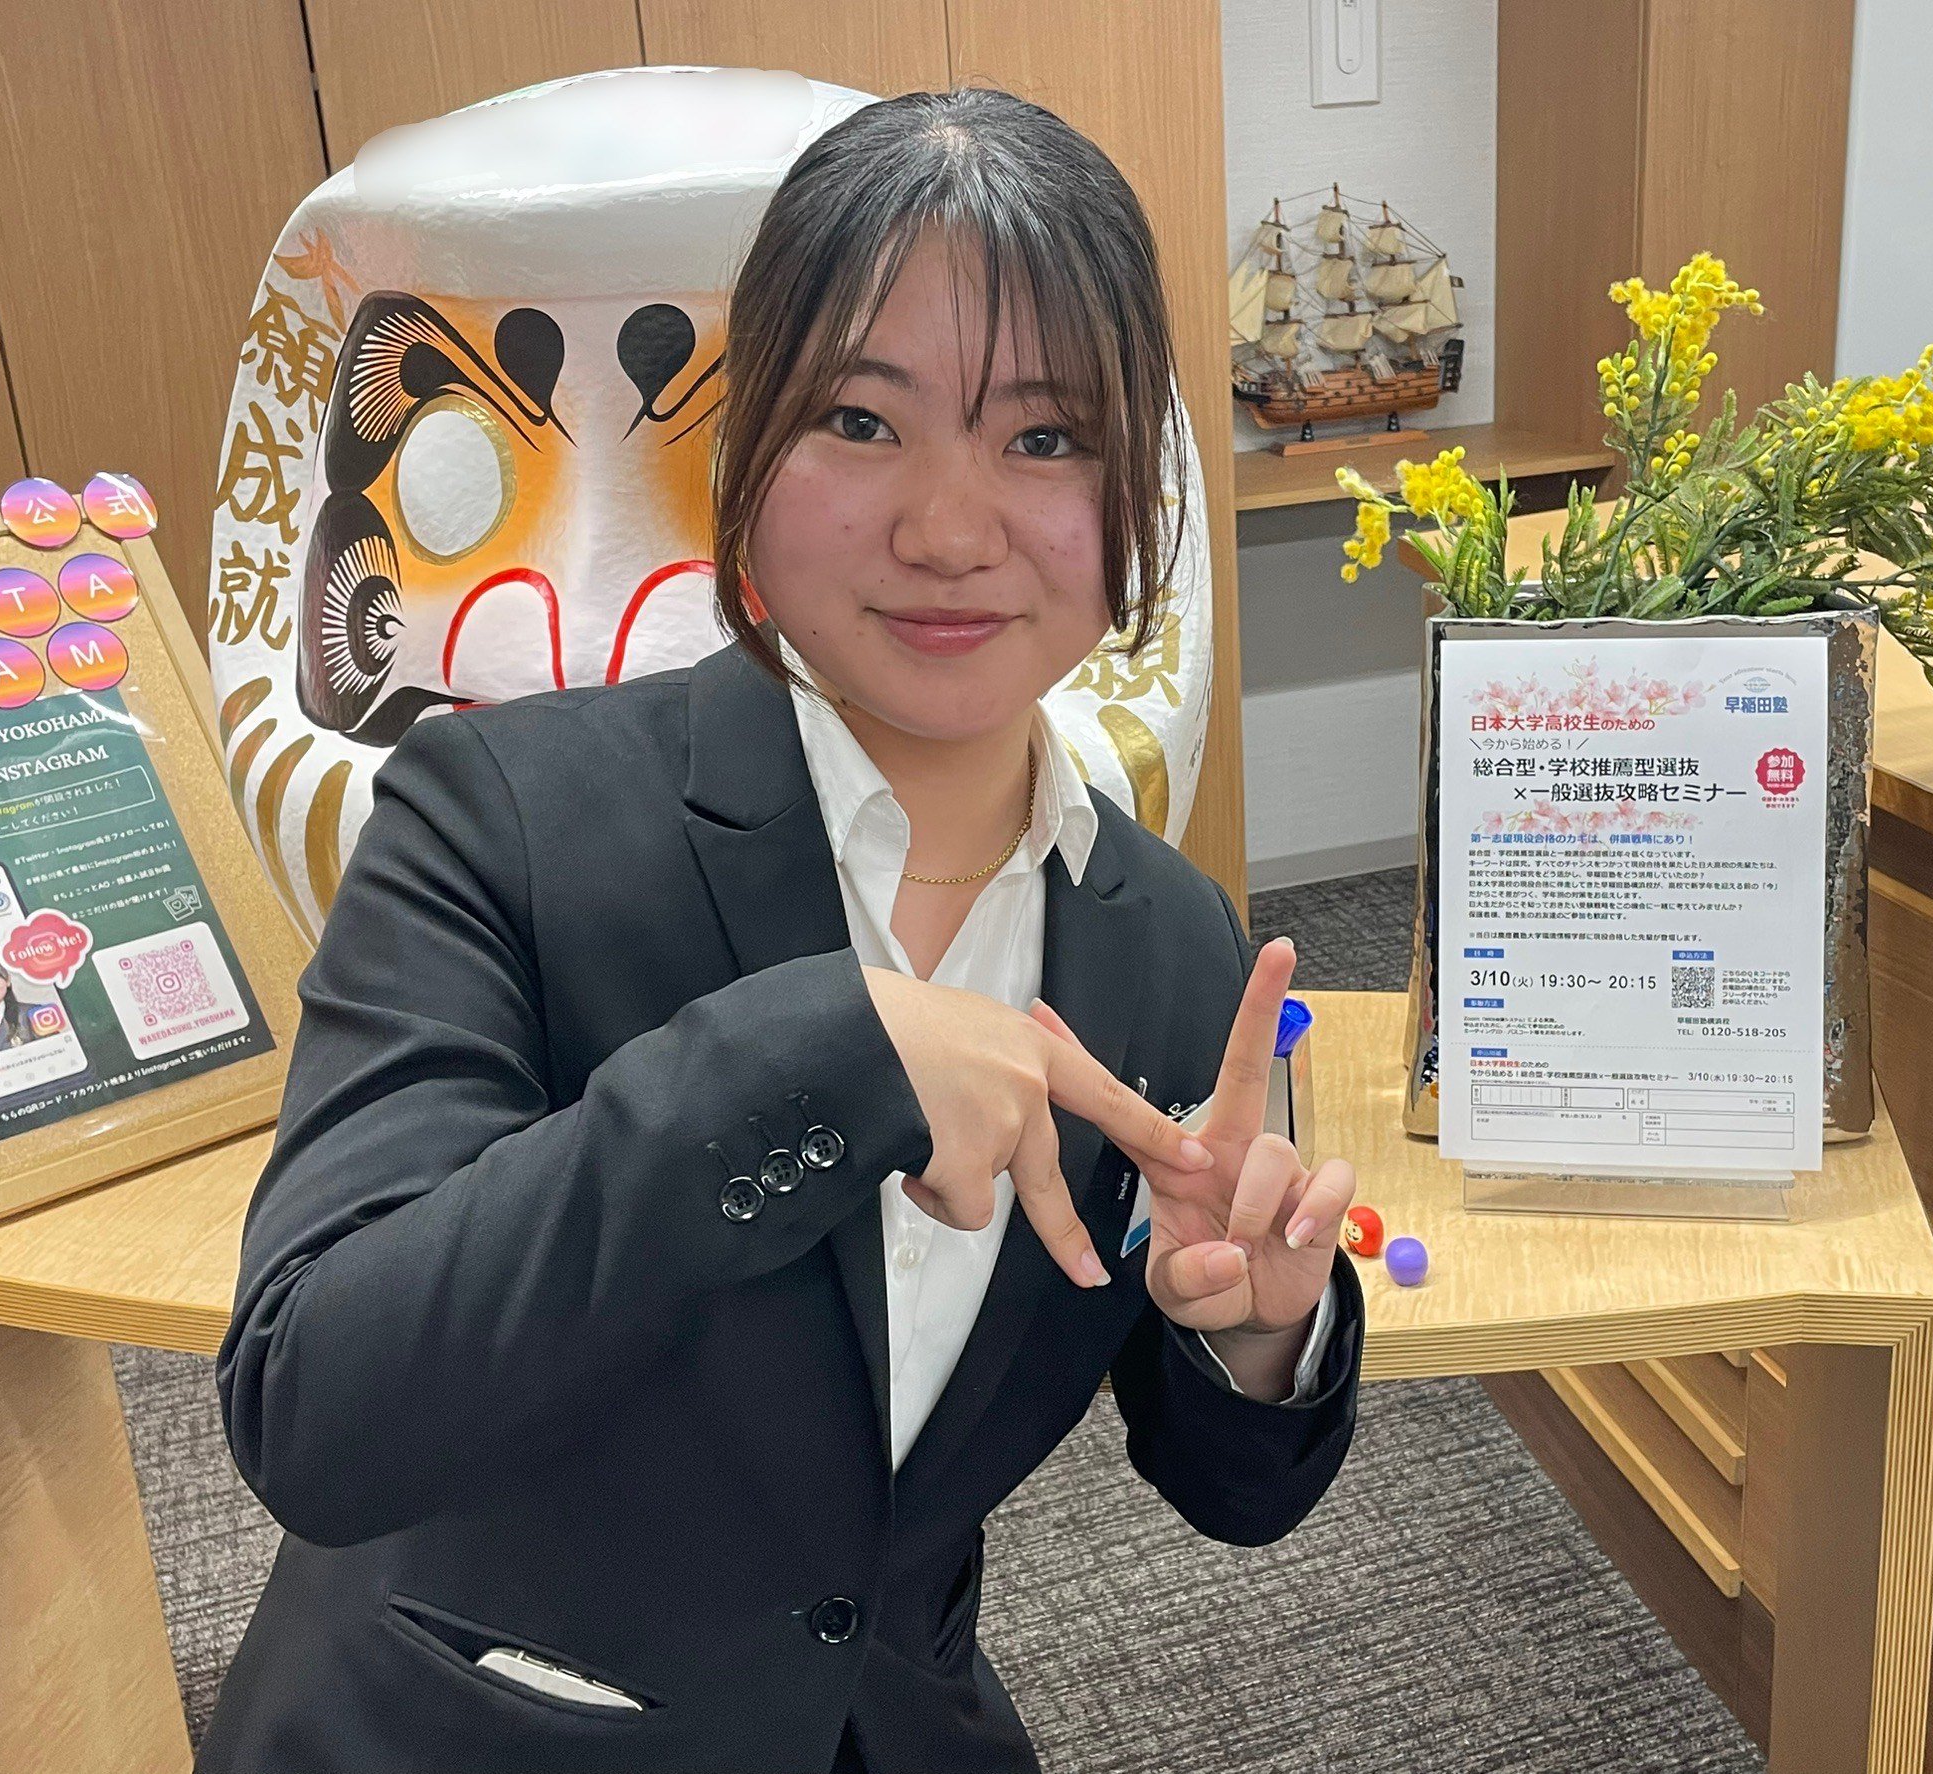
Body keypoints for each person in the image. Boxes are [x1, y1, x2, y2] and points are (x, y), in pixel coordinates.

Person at [197, 86, 1364, 1774]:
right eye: (860, 420)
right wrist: (819, 1054)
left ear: (1138, 508)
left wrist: (1253, 1332)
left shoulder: (1165, 938)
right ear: (744, 466)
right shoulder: (497, 817)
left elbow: (1233, 1487)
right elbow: (314, 1403)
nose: (948, 528)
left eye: (1045, 438)